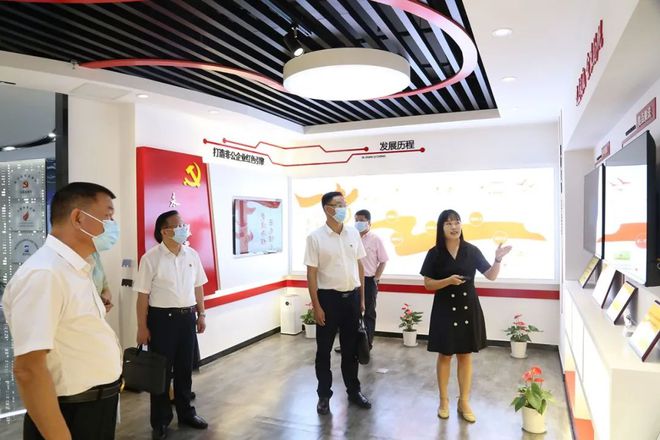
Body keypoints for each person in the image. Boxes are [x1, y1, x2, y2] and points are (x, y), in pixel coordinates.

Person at [3, 182, 122, 439]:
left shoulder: (76, 268)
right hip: (70, 414)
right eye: (108, 216)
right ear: (78, 218)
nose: (113, 225)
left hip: (95, 407)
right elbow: (28, 369)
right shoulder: (45, 274)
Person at [420, 209, 511, 423]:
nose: (454, 227)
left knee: (465, 355)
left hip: (467, 307)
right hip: (444, 308)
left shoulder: (471, 250)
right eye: (448, 223)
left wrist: (498, 259)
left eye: (457, 222)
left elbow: (491, 276)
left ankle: (464, 402)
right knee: (445, 355)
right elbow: (428, 284)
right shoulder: (435, 253)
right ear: (441, 228)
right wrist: (448, 281)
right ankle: (444, 401)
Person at [135, 210, 209, 440]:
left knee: (185, 369)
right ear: (165, 231)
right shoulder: (151, 258)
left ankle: (186, 413)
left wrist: (201, 314)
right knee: (161, 372)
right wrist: (141, 327)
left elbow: (198, 286)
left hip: (187, 318)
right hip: (161, 321)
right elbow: (142, 296)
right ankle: (160, 421)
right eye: (179, 225)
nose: (184, 228)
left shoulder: (192, 255)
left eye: (184, 224)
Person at [304, 191, 371, 415]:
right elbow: (311, 274)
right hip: (328, 300)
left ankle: (354, 391)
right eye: (339, 204)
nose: (343, 208)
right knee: (323, 351)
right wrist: (316, 306)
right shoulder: (315, 238)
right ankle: (324, 395)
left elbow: (360, 266)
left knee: (351, 350)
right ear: (327, 209)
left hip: (352, 299)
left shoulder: (353, 233)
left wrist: (362, 298)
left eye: (345, 203)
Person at [354, 209, 388, 349]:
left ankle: (367, 345)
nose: (358, 223)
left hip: (368, 280)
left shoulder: (375, 239)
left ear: (369, 223)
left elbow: (383, 260)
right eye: (356, 220)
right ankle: (351, 344)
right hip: (353, 281)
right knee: (352, 313)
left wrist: (376, 278)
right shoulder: (351, 237)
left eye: (362, 220)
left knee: (368, 313)